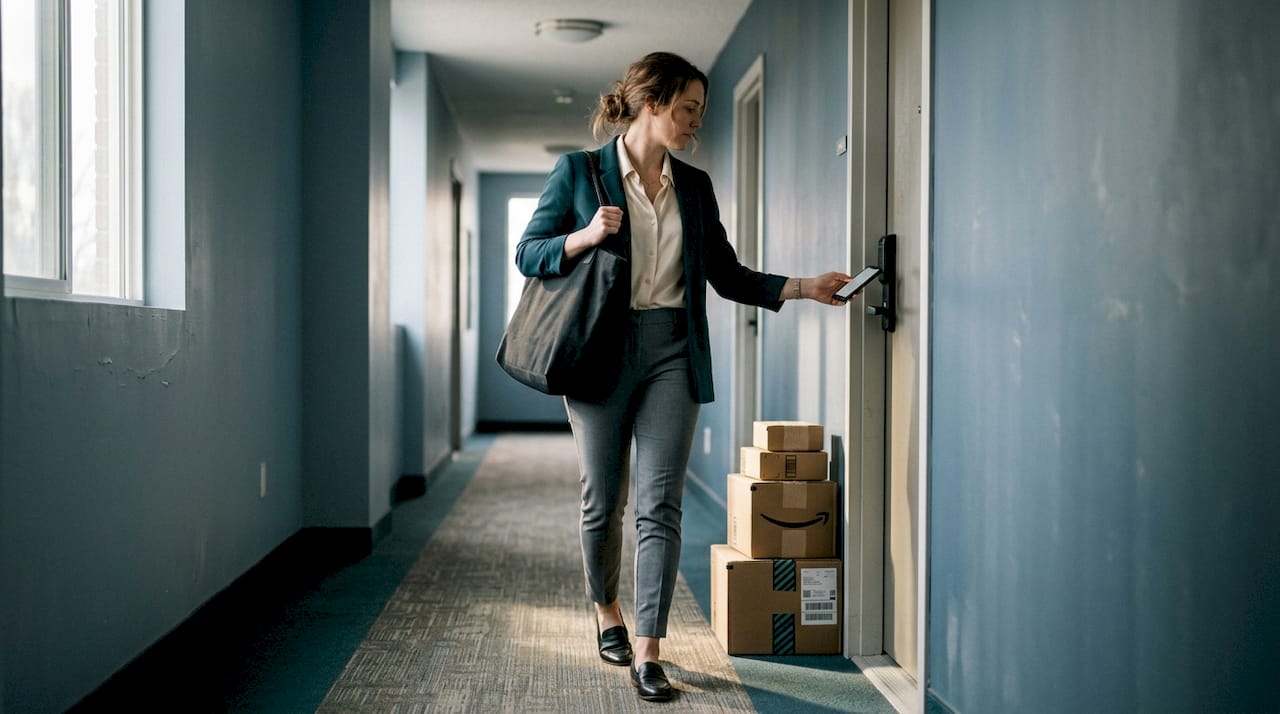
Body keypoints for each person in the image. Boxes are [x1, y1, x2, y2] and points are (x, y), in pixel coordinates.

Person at [514, 51, 857, 703]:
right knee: (602, 498)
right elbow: (528, 253)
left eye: (699, 109)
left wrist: (805, 286)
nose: (697, 121)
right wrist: (583, 237)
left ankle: (648, 649)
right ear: (650, 103)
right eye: (688, 107)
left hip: (673, 350)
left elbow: (725, 275)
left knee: (660, 503)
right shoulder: (579, 173)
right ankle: (606, 610)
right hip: (598, 352)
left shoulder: (694, 186)